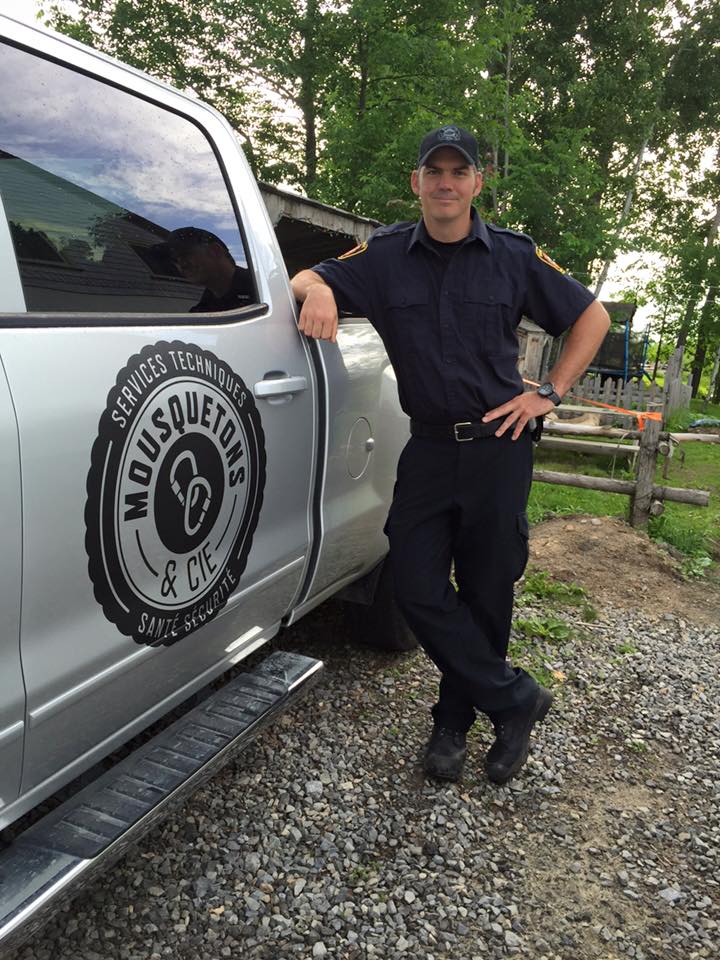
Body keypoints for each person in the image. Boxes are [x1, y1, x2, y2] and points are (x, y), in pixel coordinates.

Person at [291, 125, 610, 784]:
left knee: (488, 591)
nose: (445, 182)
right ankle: (515, 699)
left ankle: (452, 723)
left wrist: (548, 393)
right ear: (417, 183)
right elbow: (302, 277)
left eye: (457, 171)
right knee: (413, 584)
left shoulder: (514, 256)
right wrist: (320, 289)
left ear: (475, 184)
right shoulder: (382, 258)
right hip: (430, 448)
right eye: (433, 171)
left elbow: (592, 318)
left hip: (499, 447)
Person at [159, 227, 254, 313]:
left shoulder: (262, 290)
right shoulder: (202, 310)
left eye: (185, 254)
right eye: (175, 260)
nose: (181, 265)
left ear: (215, 251)